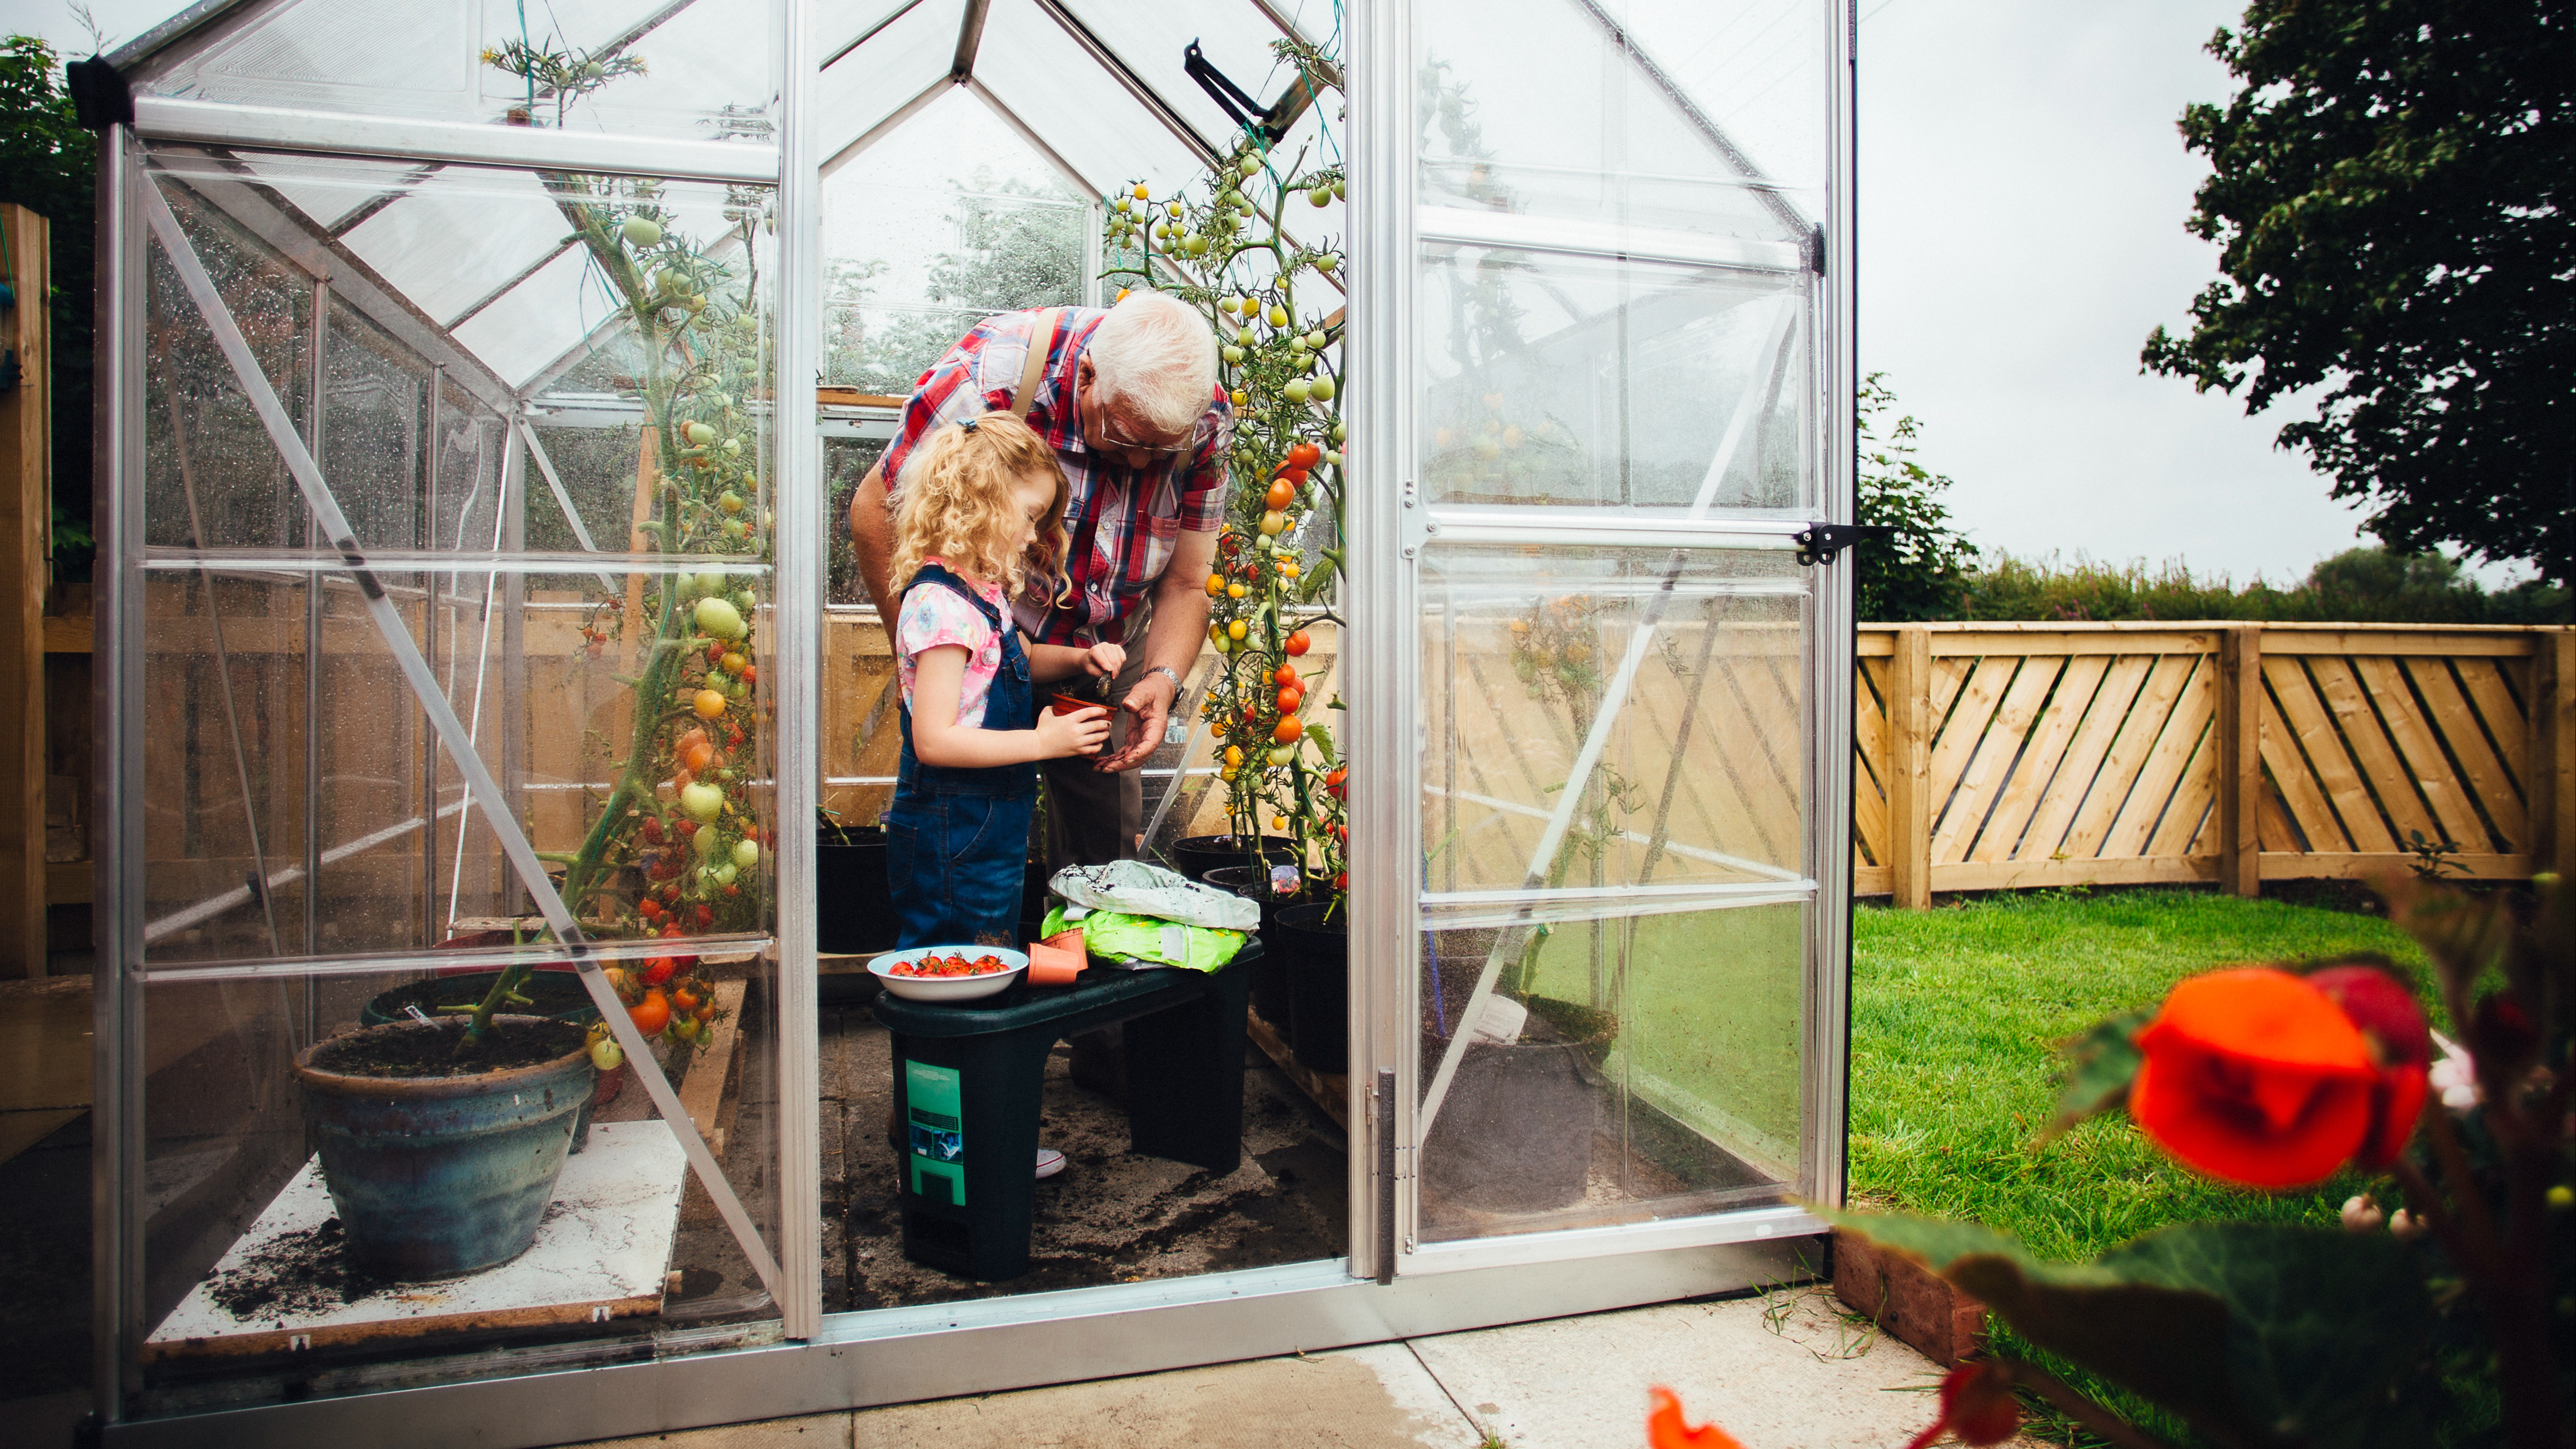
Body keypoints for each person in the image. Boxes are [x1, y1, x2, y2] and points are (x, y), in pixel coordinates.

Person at [851, 291, 1228, 872]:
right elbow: (878, 508)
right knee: (966, 832)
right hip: (984, 632)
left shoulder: (1201, 415)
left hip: (1099, 652)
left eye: (1161, 450)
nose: (1138, 464)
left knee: (1103, 858)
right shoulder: (990, 377)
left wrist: (1163, 676)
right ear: (1088, 376)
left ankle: (1081, 955)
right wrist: (927, 652)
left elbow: (1186, 581)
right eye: (1129, 438)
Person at [882, 412, 1126, 948]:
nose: (1035, 533)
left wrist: (1079, 659)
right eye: (1031, 515)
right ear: (980, 501)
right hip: (952, 828)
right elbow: (934, 739)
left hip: (988, 824)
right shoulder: (941, 606)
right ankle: (949, 1035)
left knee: (983, 952)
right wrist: (1043, 742)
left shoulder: (980, 592)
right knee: (949, 956)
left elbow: (1019, 658)